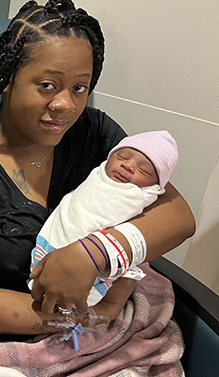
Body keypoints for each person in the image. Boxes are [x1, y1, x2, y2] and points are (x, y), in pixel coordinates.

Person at [0, 0, 195, 375]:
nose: (65, 105)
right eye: (47, 85)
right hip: (10, 338)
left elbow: (178, 215)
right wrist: (90, 318)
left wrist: (93, 253)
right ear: (7, 80)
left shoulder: (93, 134)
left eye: (79, 88)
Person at [30, 130, 179, 307]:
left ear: (156, 186)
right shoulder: (98, 174)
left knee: (125, 279)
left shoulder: (141, 196)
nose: (128, 166)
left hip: (104, 261)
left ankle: (106, 309)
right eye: (122, 157)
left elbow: (181, 221)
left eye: (143, 170)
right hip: (60, 247)